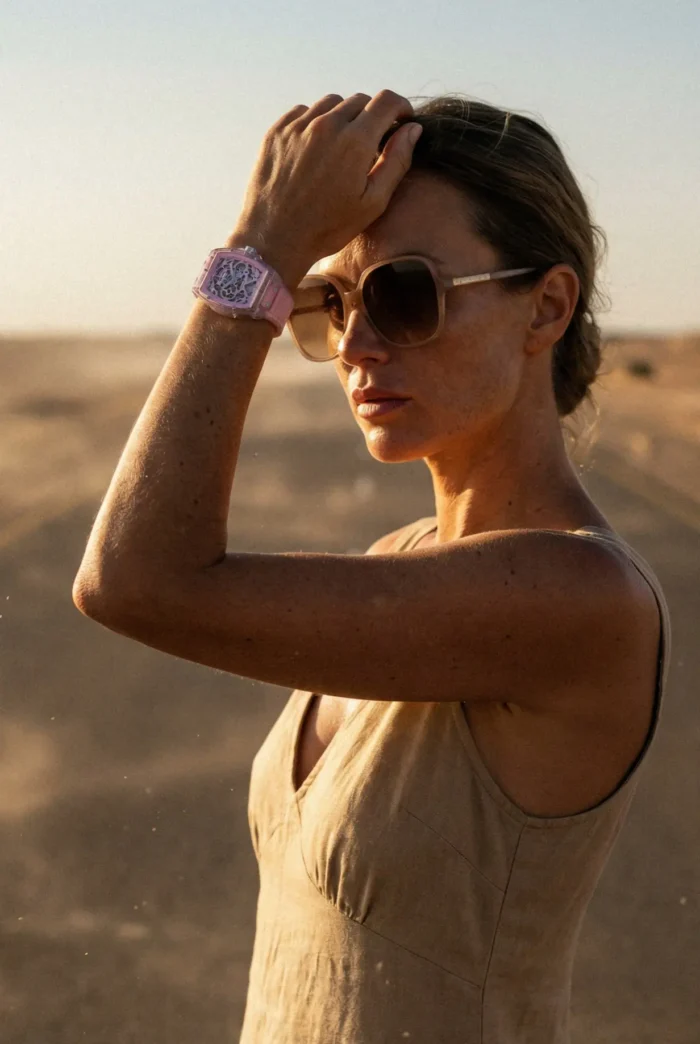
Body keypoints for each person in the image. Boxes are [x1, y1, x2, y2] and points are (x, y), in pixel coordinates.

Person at [73, 90, 672, 1043]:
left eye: (404, 294)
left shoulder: (581, 598)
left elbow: (138, 579)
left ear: (546, 307)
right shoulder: (401, 558)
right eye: (332, 301)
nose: (355, 344)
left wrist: (263, 244)